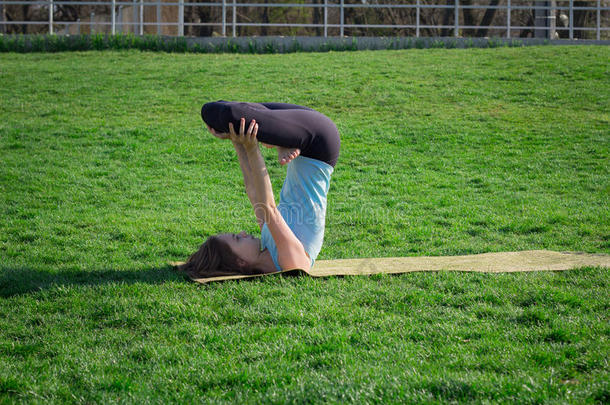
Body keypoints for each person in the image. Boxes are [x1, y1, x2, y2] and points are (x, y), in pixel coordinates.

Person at [178, 101, 340, 278]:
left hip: (308, 144)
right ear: (240, 261)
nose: (243, 233)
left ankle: (285, 141)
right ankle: (283, 141)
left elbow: (253, 191)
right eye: (237, 238)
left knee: (215, 112)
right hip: (319, 143)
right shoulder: (291, 263)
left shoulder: (268, 242)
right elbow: (268, 205)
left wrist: (237, 142)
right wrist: (252, 147)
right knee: (229, 114)